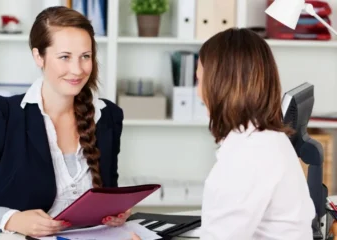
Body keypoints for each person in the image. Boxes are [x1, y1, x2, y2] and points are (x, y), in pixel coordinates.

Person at [0, 6, 130, 238]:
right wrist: (12, 219)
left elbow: (107, 194)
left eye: (85, 56)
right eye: (64, 57)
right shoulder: (1, 114)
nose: (77, 70)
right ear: (38, 56)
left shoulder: (108, 116)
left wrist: (115, 213)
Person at [132, 27, 316, 240]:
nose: (198, 93)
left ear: (219, 85)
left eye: (199, 80)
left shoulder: (249, 154)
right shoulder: (267, 139)